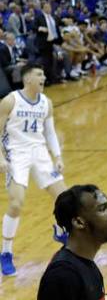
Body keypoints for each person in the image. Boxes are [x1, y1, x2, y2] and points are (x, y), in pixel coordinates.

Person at [0, 63, 69, 276]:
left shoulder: (46, 103)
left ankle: (60, 230)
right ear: (27, 78)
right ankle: (6, 253)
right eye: (40, 74)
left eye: (44, 73)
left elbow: (50, 133)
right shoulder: (10, 101)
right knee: (16, 202)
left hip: (39, 153)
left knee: (65, 197)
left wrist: (57, 157)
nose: (44, 77)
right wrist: (1, 157)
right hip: (16, 153)